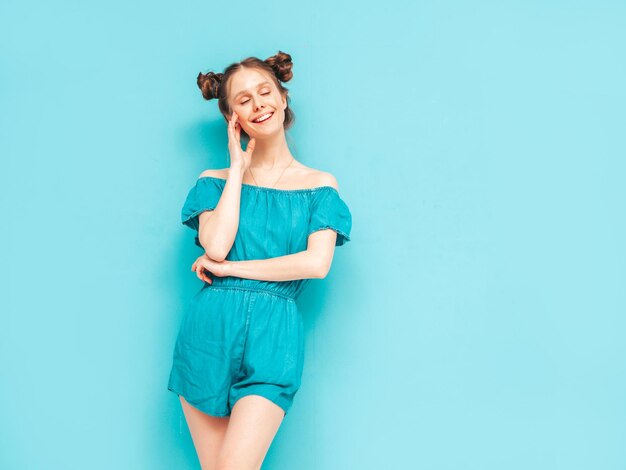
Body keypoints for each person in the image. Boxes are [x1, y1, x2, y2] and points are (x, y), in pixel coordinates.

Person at [167, 50, 353, 470]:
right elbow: (215, 246)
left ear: (283, 99)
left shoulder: (319, 185)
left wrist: (232, 268)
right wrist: (237, 167)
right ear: (232, 117)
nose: (258, 104)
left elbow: (315, 263)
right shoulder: (213, 182)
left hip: (275, 337)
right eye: (243, 100)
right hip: (209, 333)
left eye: (265, 92)